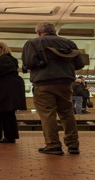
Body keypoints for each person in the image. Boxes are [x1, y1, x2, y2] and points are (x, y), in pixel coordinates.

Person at [22, 22, 84, 155]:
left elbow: (28, 63)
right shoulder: (69, 43)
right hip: (65, 83)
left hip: (44, 83)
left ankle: (53, 145)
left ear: (38, 32)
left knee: (48, 114)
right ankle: (73, 145)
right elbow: (79, 64)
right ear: (54, 31)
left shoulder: (33, 43)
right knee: (67, 113)